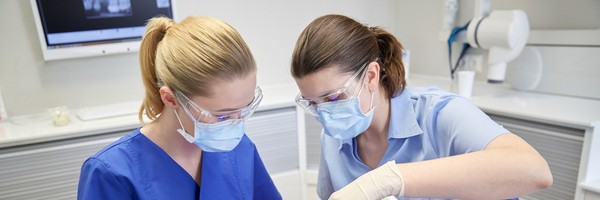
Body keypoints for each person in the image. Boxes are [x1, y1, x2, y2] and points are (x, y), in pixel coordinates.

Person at [290, 14, 552, 200]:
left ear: (370, 77)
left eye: (334, 98)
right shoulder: (333, 140)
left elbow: (535, 171)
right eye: (313, 103)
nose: (325, 114)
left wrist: (385, 181)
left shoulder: (439, 115)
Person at [77, 16, 281, 199]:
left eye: (245, 109)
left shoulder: (238, 148)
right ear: (171, 99)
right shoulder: (111, 174)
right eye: (222, 115)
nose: (236, 124)